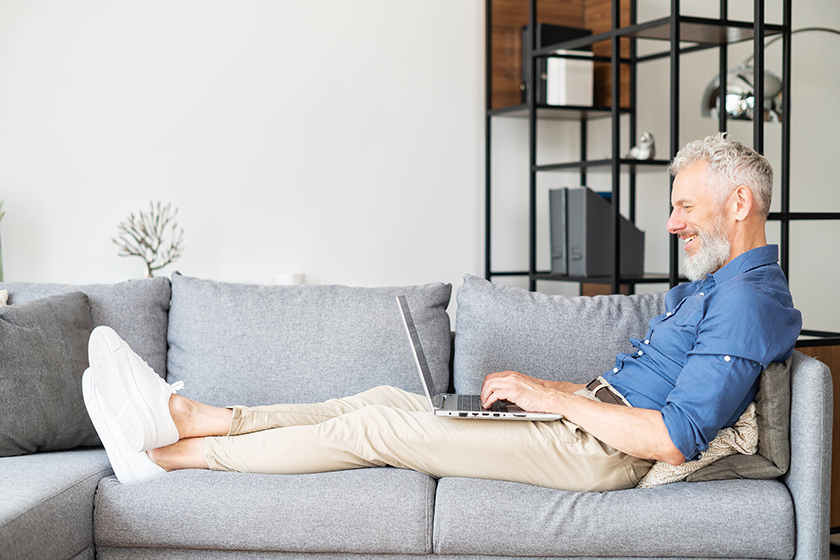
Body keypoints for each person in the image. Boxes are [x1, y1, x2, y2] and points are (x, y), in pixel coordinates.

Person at [82, 133, 802, 492]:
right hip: (588, 422)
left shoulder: (748, 300)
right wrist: (564, 399)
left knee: (377, 428)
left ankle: (167, 459)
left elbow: (674, 439)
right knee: (381, 397)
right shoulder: (721, 285)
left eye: (683, 205)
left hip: (600, 453)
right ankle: (193, 416)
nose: (672, 222)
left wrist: (549, 394)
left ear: (739, 203)